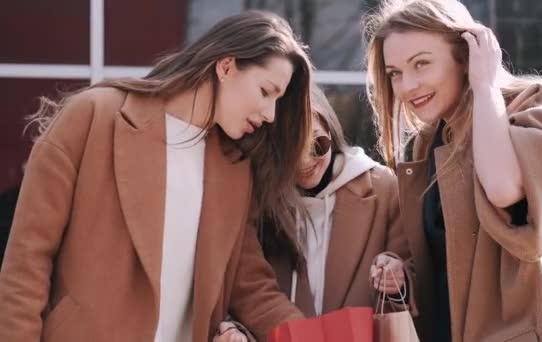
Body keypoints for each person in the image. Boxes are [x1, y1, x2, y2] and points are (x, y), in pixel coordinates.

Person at [0, 10, 313, 342]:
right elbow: (27, 264)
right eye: (266, 92)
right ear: (226, 67)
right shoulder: (94, 117)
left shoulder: (234, 169)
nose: (270, 115)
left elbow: (252, 290)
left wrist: (315, 337)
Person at [364, 0, 542, 341]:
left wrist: (486, 85)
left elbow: (503, 189)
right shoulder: (428, 145)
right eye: (395, 73)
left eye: (422, 64)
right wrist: (403, 273)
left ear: (466, 55)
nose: (408, 85)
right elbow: (451, 261)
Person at [215, 84, 409, 342]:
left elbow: (412, 278)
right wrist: (234, 331)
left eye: (317, 144)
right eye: (292, 150)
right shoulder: (255, 200)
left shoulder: (383, 187)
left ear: (331, 129)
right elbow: (243, 294)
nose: (306, 162)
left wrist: (397, 276)